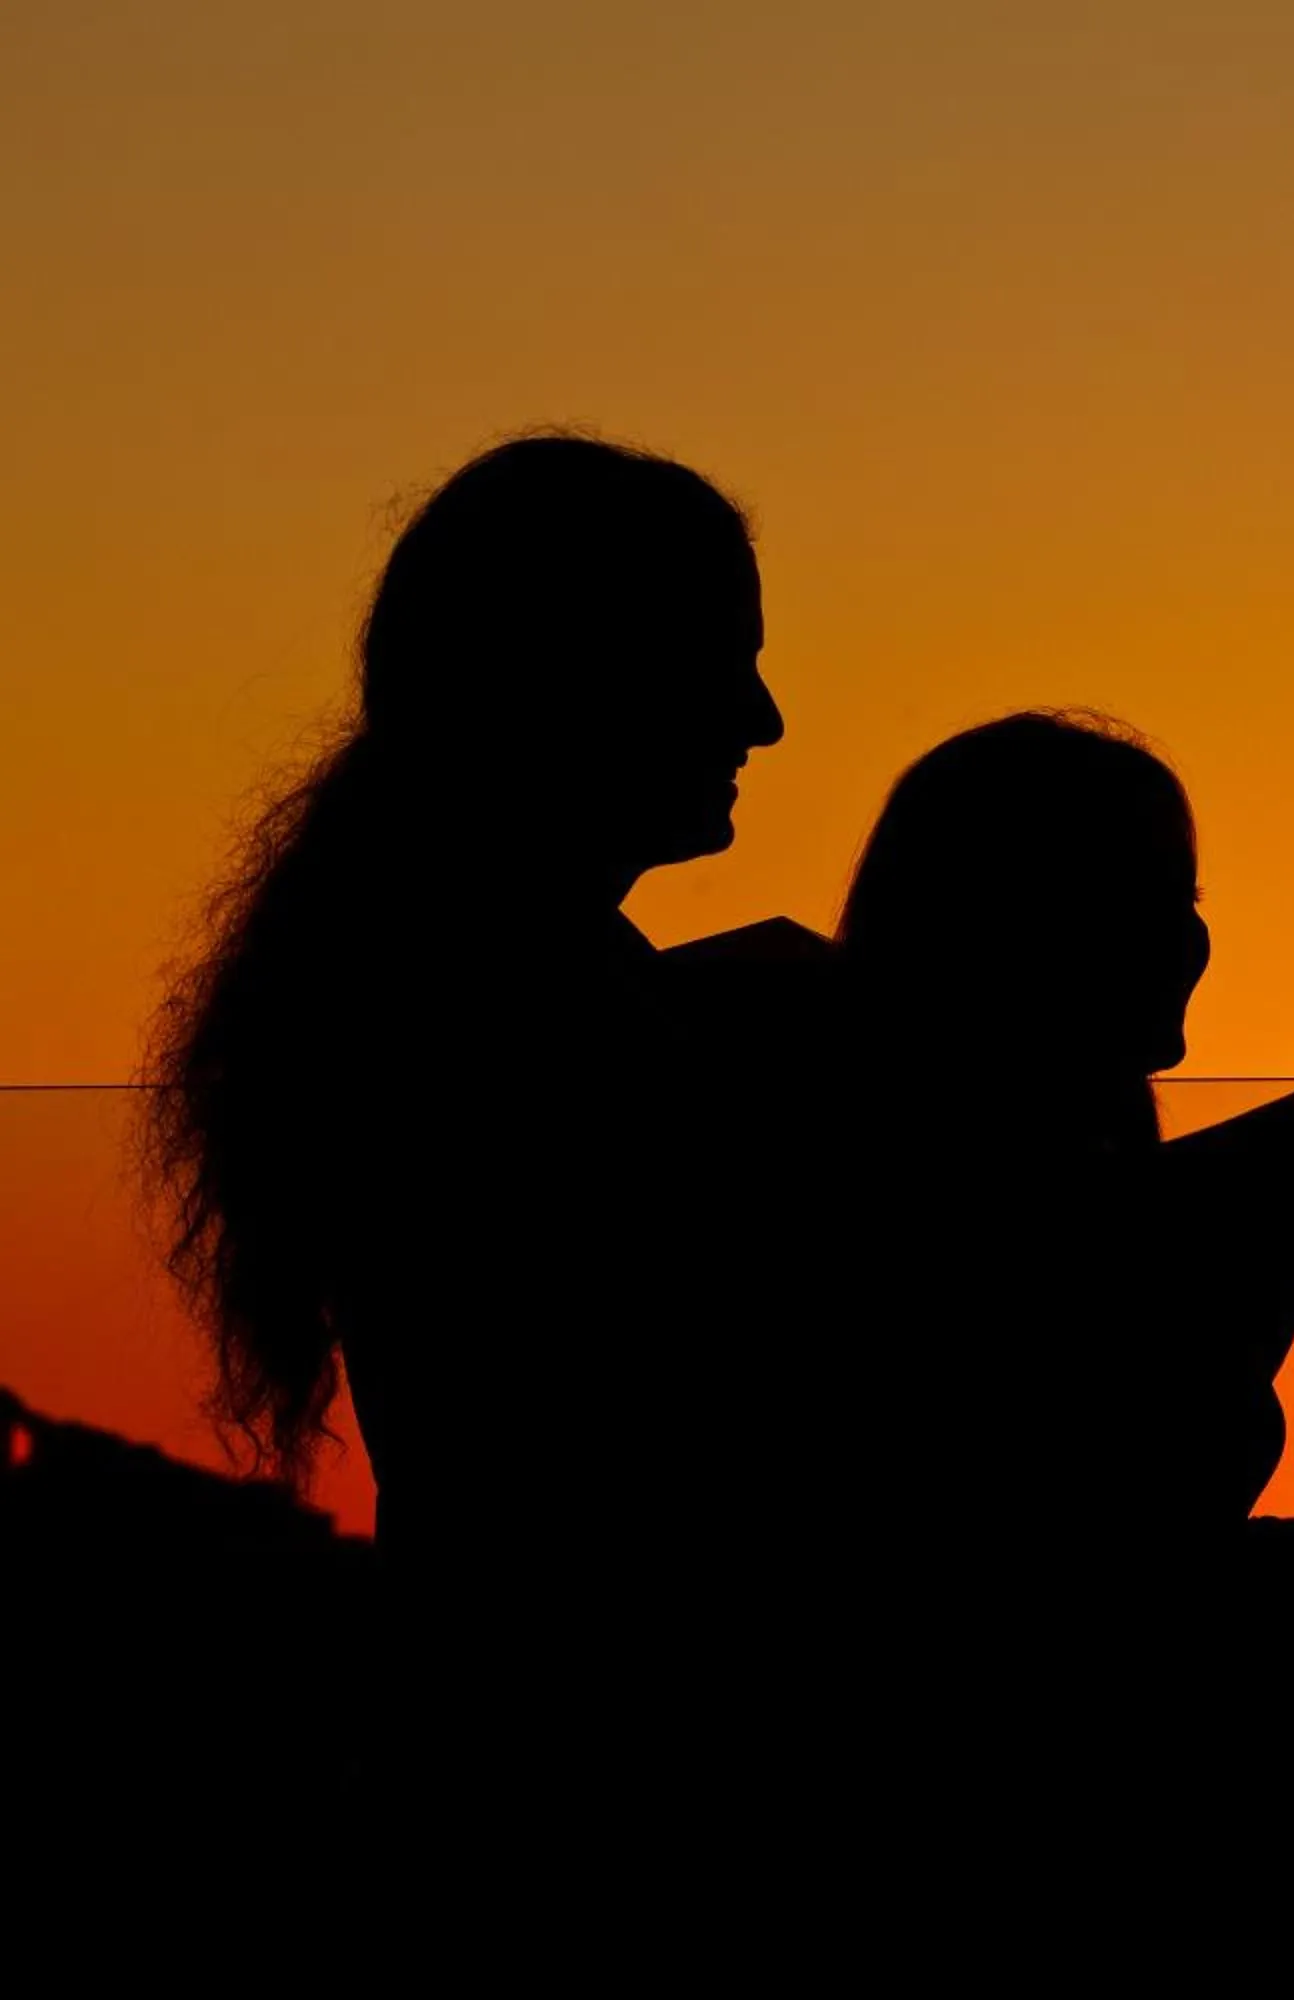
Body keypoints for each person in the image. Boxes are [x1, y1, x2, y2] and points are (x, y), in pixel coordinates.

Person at [143, 432, 793, 1838]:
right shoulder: (526, 1023)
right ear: (578, 679)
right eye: (721, 661)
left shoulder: (464, 978)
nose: (764, 721)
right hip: (591, 1781)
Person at [757, 710, 1294, 1833]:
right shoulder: (860, 1158)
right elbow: (1101, 1457)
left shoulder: (1058, 1160)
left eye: (1190, 899)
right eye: (1147, 895)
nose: (1189, 939)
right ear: (1013, 923)